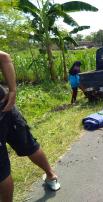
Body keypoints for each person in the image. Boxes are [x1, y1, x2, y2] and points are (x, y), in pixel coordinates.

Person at [0, 50, 60, 202]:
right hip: (5, 103)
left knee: (1, 171)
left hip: (5, 106)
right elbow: (4, 57)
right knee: (28, 144)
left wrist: (13, 90)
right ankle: (51, 176)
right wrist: (12, 90)